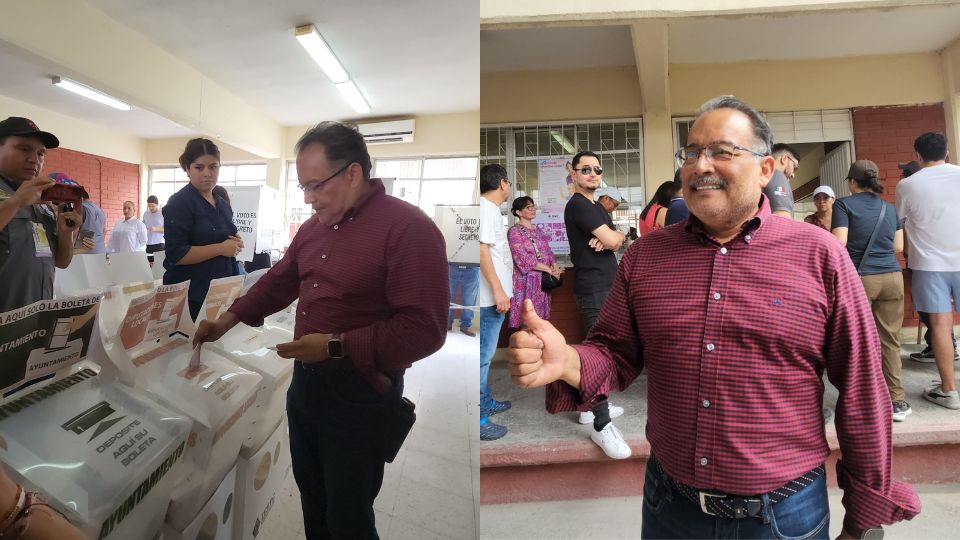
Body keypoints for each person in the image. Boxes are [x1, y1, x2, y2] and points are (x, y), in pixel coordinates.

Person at [507, 96, 920, 539]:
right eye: (691, 153)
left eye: (722, 151)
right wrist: (568, 361)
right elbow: (614, 352)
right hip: (670, 507)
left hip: (786, 514)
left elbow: (862, 389)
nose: (701, 165)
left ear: (765, 170)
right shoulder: (646, 257)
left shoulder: (820, 257)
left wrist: (862, 519)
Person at [194, 121, 448, 539]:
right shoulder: (315, 227)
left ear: (352, 173)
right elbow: (281, 279)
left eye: (315, 186)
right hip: (306, 389)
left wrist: (335, 347)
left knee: (348, 515)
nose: (308, 200)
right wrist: (229, 318)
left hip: (361, 397)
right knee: (313, 499)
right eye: (303, 188)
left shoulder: (407, 228)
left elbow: (425, 328)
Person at [563, 151, 629, 460]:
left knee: (602, 352)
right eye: (585, 169)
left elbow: (620, 237)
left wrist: (612, 237)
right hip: (593, 289)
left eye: (596, 169)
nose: (592, 173)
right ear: (572, 173)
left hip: (604, 286)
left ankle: (589, 408)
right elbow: (616, 240)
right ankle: (601, 425)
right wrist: (612, 239)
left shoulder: (595, 206)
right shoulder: (579, 205)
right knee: (598, 355)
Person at [831, 160, 909, 421]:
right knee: (890, 340)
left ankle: (862, 399)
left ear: (852, 182)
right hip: (892, 277)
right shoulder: (889, 208)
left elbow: (839, 242)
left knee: (857, 342)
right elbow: (898, 247)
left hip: (861, 279)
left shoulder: (843, 204)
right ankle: (897, 401)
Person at [896, 132, 960, 409]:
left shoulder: (908, 185)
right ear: (947, 152)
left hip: (929, 265)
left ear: (918, 156)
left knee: (941, 328)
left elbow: (900, 222)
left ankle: (949, 391)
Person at [0, 117, 81, 313]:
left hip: (35, 319)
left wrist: (65, 233)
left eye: (41, 153)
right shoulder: (20, 199)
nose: (34, 159)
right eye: (23, 149)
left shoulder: (41, 205)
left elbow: (61, 262)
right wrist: (15, 202)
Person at [162, 138, 243, 321]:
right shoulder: (179, 203)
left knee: (217, 344)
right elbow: (177, 254)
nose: (207, 173)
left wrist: (235, 242)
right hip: (191, 294)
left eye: (213, 167)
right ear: (188, 169)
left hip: (222, 288)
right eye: (199, 167)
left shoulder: (222, 203)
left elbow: (224, 235)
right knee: (191, 345)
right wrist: (222, 248)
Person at [479, 164, 513, 441]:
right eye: (509, 183)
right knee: (482, 357)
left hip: (495, 295)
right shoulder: (485, 209)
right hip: (491, 297)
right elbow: (481, 251)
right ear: (503, 183)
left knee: (485, 356)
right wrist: (498, 291)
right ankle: (478, 418)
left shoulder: (490, 210)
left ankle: (486, 400)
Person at [507, 196, 562, 329]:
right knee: (527, 319)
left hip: (542, 282)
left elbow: (548, 251)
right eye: (528, 207)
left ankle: (536, 346)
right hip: (526, 282)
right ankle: (525, 346)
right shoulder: (514, 232)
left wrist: (554, 267)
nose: (532, 209)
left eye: (533, 206)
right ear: (519, 212)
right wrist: (549, 270)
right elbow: (523, 258)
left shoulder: (538, 230)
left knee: (539, 321)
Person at [767, 142, 800, 218]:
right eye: (794, 166)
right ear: (784, 159)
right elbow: (782, 218)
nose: (793, 174)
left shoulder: (763, 177)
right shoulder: (777, 176)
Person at [448, 262, 479, 337]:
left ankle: (465, 326)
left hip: (473, 267)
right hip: (451, 266)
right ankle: (447, 324)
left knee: (469, 299)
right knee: (447, 296)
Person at [143, 194, 164, 263]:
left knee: (159, 265)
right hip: (148, 244)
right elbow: (143, 226)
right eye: (149, 206)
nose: (151, 208)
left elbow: (168, 230)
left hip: (159, 244)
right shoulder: (146, 214)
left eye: (153, 206)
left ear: (157, 205)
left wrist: (155, 229)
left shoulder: (162, 214)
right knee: (149, 265)